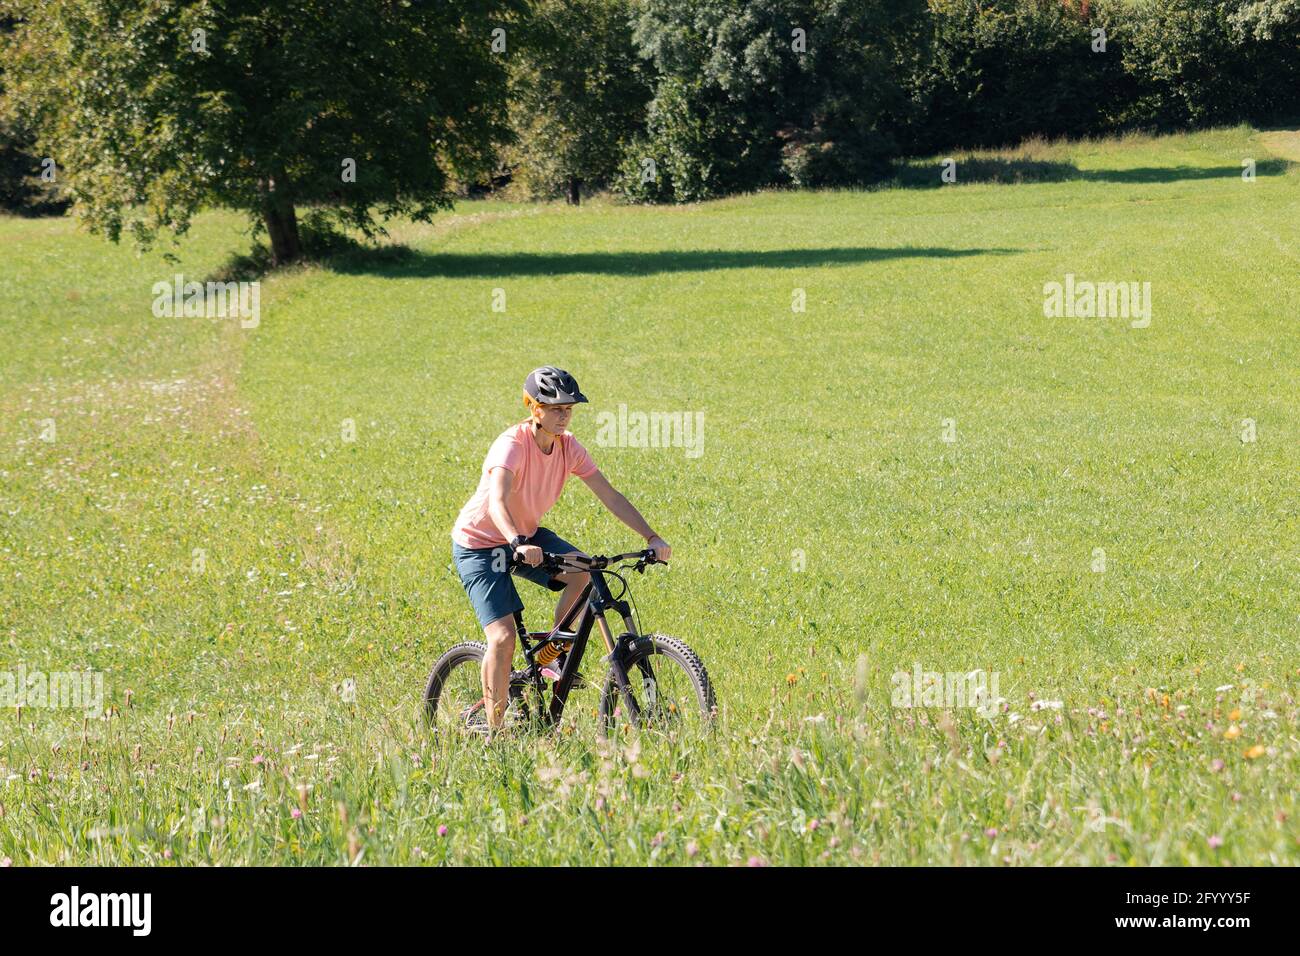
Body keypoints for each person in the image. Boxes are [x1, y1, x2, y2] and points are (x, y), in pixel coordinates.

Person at [450, 366, 671, 732]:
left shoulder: (569, 448)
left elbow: (610, 495)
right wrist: (518, 542)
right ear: (534, 408)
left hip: (525, 537)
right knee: (503, 637)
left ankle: (550, 656)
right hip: (482, 544)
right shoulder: (512, 445)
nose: (564, 414)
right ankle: (496, 734)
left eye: (569, 407)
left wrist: (651, 537)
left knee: (586, 571)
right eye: (555, 408)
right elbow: (497, 502)